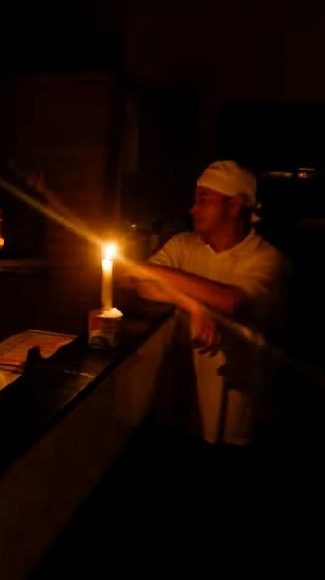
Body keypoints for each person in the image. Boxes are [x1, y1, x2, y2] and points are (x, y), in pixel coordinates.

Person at [121, 160, 284, 447]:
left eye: (203, 201)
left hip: (234, 394)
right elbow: (142, 287)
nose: (193, 210)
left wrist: (142, 267)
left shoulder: (264, 258)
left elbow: (231, 300)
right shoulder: (184, 245)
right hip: (181, 392)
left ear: (235, 205)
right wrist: (193, 306)